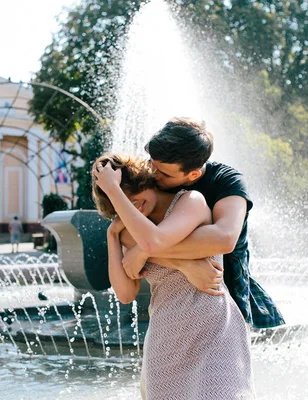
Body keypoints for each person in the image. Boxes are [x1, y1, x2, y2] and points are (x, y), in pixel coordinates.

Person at [93, 154, 255, 399]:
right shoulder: (130, 227)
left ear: (145, 181)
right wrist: (112, 236)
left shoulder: (191, 201)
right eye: (123, 203)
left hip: (215, 330)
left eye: (134, 196)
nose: (133, 207)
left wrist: (113, 189)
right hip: (166, 339)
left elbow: (153, 242)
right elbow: (125, 294)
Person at [122, 117, 285, 330]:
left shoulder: (227, 181)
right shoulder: (152, 175)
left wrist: (144, 250)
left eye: (164, 173)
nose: (153, 175)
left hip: (222, 287)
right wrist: (184, 264)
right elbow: (124, 230)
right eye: (152, 163)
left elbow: (224, 239)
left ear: (193, 174)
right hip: (171, 297)